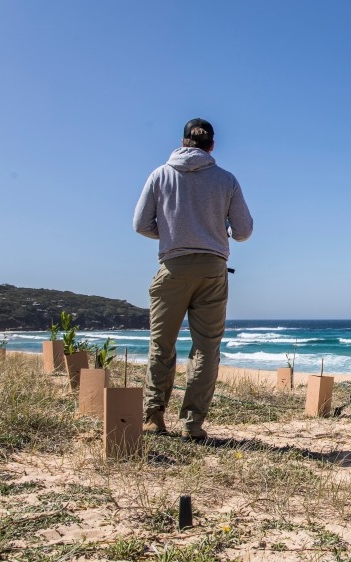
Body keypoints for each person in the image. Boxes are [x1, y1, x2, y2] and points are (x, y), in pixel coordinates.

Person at [133, 118, 253, 440]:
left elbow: (141, 224)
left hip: (172, 266)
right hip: (213, 269)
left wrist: (172, 234)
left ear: (184, 142)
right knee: (206, 349)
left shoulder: (160, 175)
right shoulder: (226, 180)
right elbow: (244, 232)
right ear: (212, 145)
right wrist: (217, 232)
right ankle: (192, 424)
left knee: (162, 345)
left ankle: (153, 418)